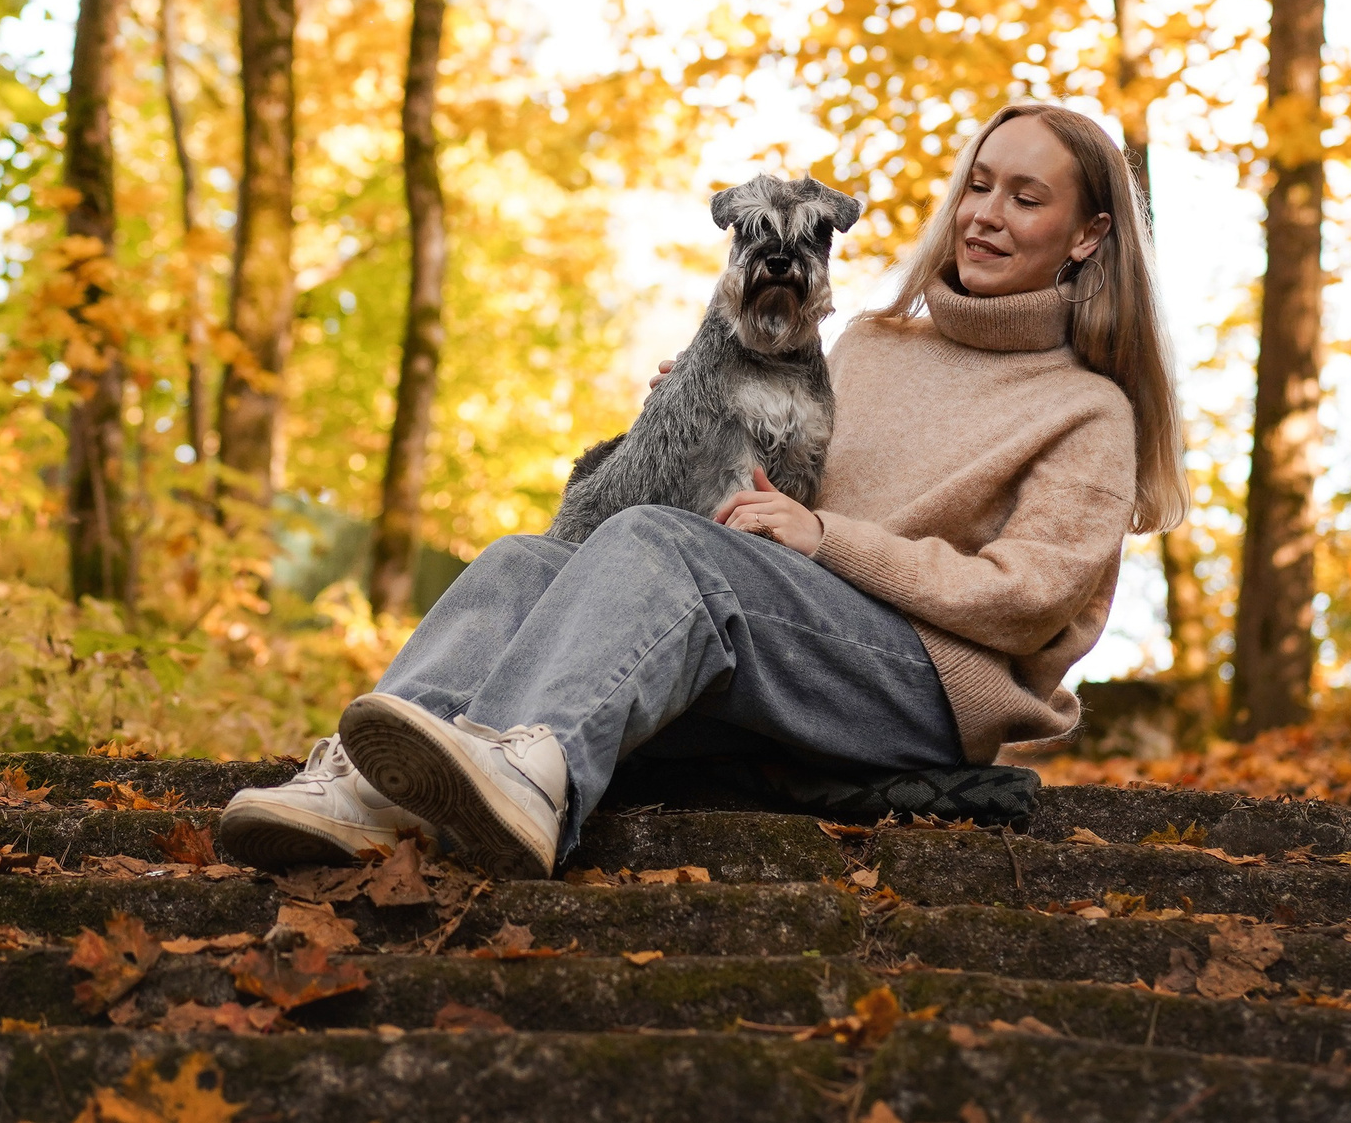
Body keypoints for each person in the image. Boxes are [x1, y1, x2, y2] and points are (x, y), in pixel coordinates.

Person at [218, 101, 1189, 877]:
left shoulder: (1088, 409)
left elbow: (1025, 600)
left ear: (1086, 234)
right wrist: (707, 401)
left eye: (1025, 198)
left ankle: (531, 765)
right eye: (978, 185)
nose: (984, 213)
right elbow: (774, 489)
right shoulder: (869, 345)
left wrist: (825, 540)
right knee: (529, 560)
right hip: (792, 640)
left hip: (922, 689)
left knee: (660, 543)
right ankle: (357, 786)